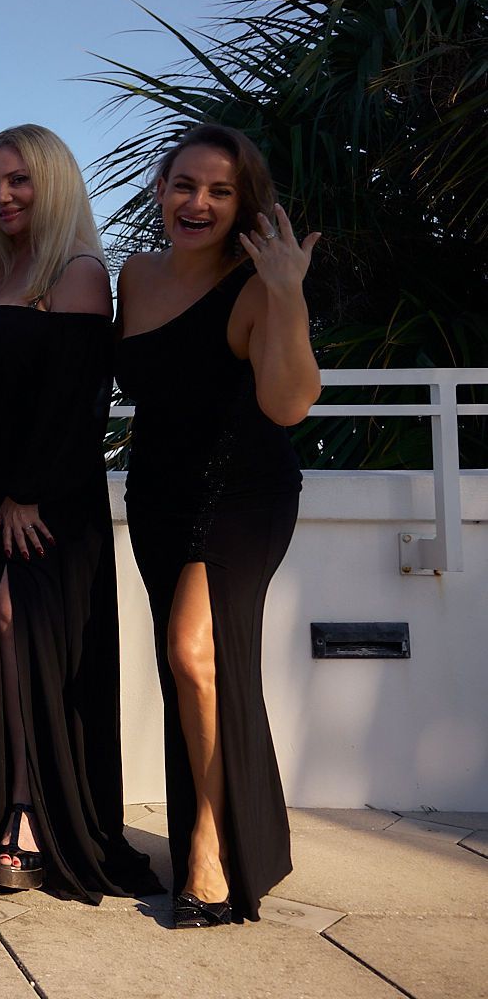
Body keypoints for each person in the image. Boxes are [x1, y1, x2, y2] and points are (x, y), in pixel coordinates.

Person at [0, 125, 158, 904]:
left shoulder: (76, 273)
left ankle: (29, 814)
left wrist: (29, 493)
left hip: (43, 497)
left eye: (18, 180)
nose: (2, 196)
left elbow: (78, 400)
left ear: (52, 184)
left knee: (20, 629)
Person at [113, 123, 319, 927]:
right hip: (157, 495)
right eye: (183, 185)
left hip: (243, 492)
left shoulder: (257, 283)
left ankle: (206, 843)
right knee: (199, 670)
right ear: (160, 192)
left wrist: (289, 293)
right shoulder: (133, 276)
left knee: (191, 653)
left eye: (219, 191)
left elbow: (287, 404)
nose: (196, 202)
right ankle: (249, 837)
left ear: (242, 204)